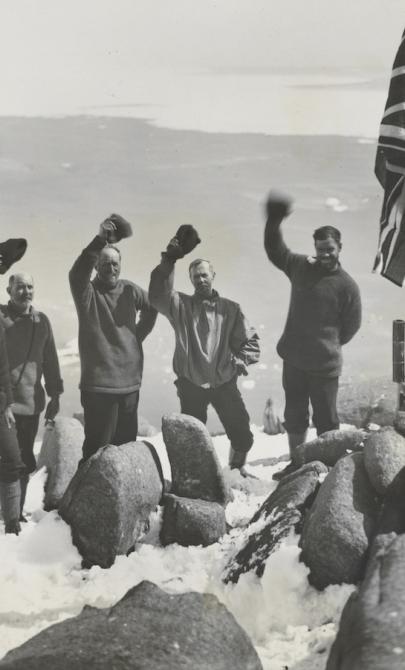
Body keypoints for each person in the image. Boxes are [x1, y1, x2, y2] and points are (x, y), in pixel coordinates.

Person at [264, 192, 362, 478]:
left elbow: (351, 327)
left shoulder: (348, 286)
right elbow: (275, 250)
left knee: (326, 420)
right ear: (315, 248)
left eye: (330, 249)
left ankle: (327, 470)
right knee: (294, 417)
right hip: (294, 359)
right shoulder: (300, 267)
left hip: (325, 366)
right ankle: (297, 464)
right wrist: (274, 220)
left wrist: (327, 345)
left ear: (339, 247)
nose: (325, 255)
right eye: (320, 249)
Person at [149, 225, 260, 474]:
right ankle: (195, 479)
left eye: (204, 275)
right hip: (191, 385)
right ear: (190, 280)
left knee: (242, 434)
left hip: (224, 382)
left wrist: (242, 359)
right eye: (196, 276)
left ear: (213, 276)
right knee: (192, 439)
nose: (200, 280)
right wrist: (169, 259)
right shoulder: (180, 306)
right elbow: (157, 295)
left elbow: (251, 342)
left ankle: (234, 471)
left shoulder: (231, 309)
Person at [69, 215, 157, 462]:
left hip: (130, 384)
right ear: (96, 265)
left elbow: (152, 306)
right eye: (105, 263)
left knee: (126, 451)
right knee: (96, 453)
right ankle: (85, 499)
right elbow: (77, 274)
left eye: (116, 263)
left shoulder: (129, 289)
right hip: (98, 387)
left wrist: (137, 336)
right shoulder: (87, 293)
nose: (111, 268)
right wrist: (100, 239)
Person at [0, 272, 64, 518]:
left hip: (30, 405)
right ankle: (10, 516)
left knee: (25, 460)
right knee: (10, 460)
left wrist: (56, 394)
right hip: (5, 405)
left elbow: (50, 360)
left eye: (29, 287)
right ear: (8, 291)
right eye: (19, 286)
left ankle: (14, 513)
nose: (25, 291)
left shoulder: (42, 321)